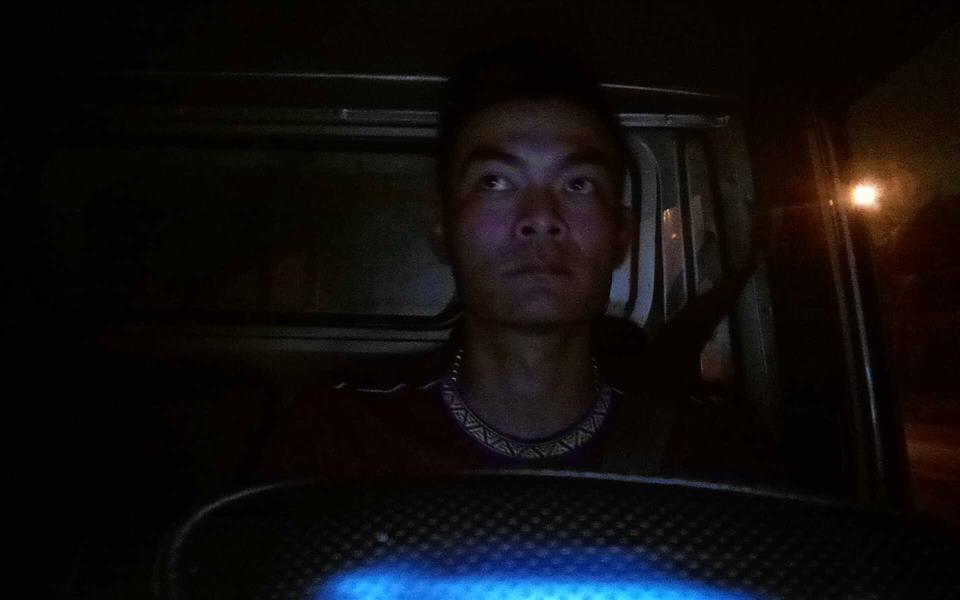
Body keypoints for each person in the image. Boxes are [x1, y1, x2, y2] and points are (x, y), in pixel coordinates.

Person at [254, 41, 780, 483]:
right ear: (445, 228)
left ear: (620, 233)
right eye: (495, 182)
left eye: (578, 184)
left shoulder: (708, 452)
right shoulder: (341, 437)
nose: (540, 217)